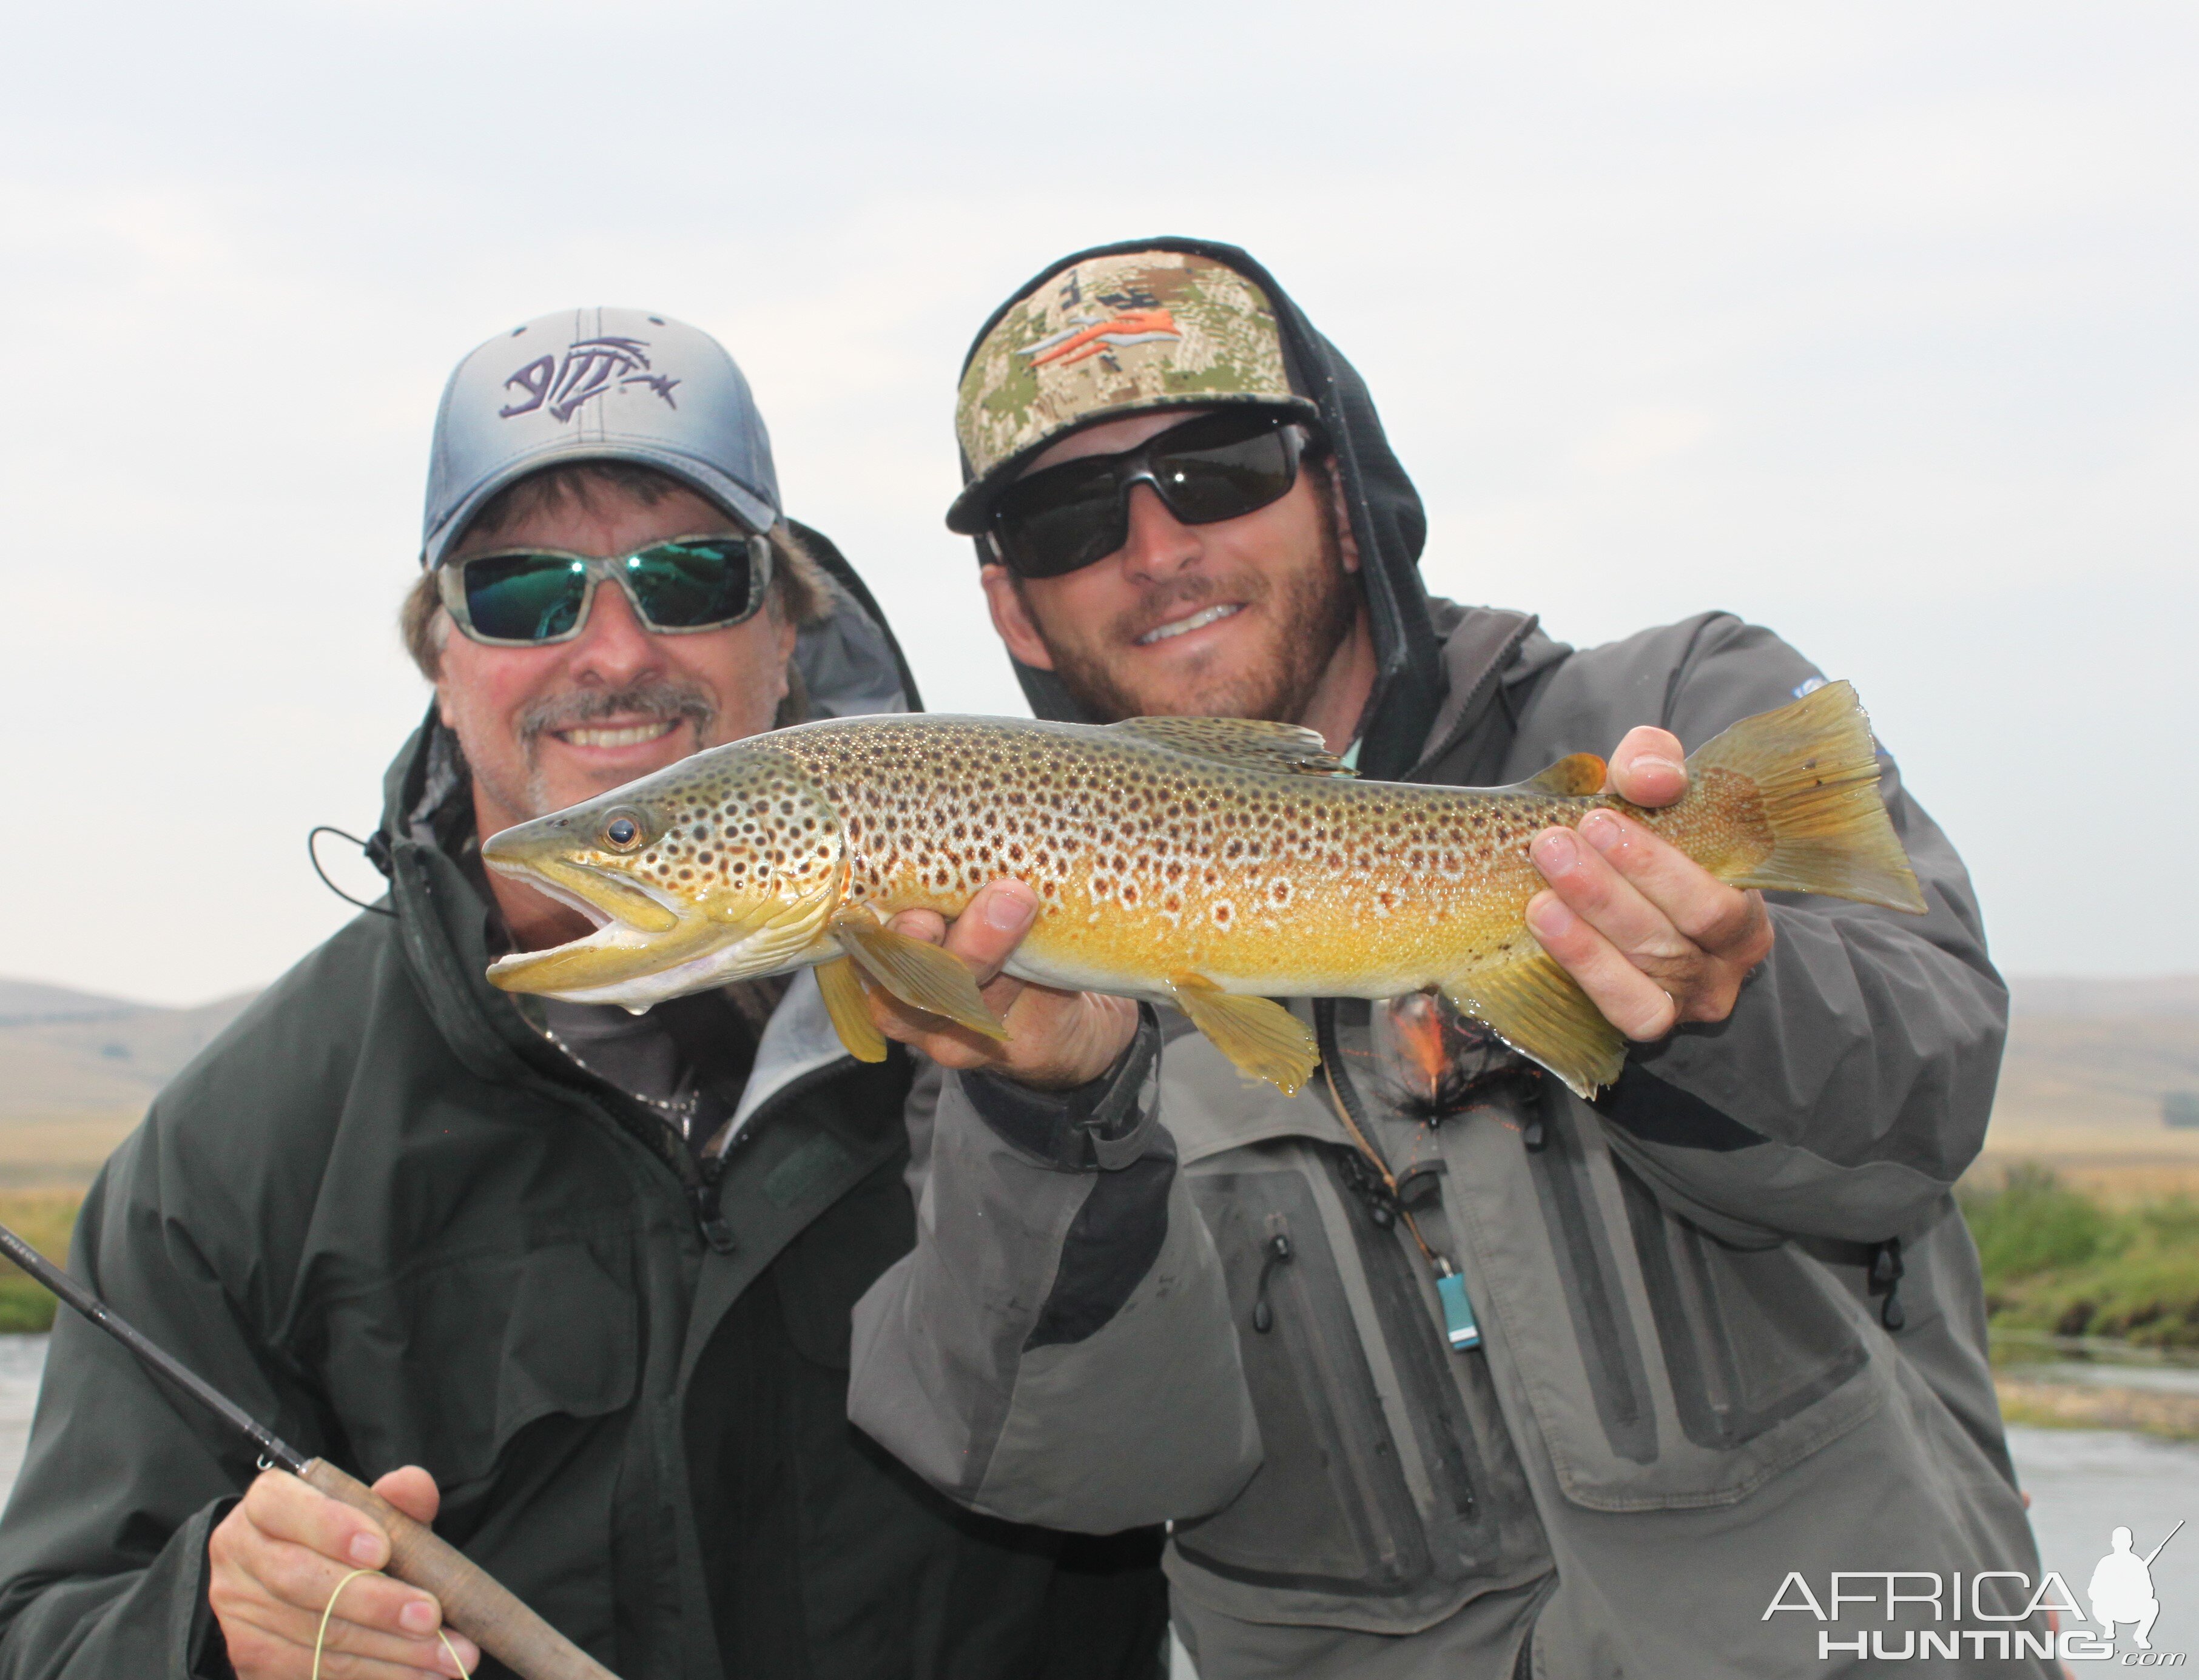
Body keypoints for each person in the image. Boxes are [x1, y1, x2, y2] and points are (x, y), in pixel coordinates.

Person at [841, 243, 2055, 1676]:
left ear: (1346, 501)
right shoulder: (990, 974)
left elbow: (1921, 1109)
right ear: (1009, 605)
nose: (1156, 548)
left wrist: (1725, 998)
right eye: (1063, 516)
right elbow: (1073, 1471)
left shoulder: (1671, 711)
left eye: (1220, 468)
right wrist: (1058, 1119)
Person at [0, 308, 1169, 1679]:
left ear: (786, 633)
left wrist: (1069, 1116)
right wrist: (212, 1629)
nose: (613, 649)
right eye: (520, 592)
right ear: (443, 665)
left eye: (688, 575)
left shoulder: (1061, 1003)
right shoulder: (237, 1146)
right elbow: (49, 1626)